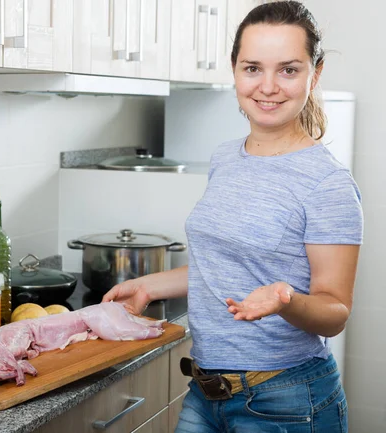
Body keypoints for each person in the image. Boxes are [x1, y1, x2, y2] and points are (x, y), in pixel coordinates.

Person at [102, 1, 362, 432]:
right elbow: (223, 265)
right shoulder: (226, 157)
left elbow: (336, 310)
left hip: (288, 400)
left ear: (314, 75)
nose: (268, 86)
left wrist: (286, 301)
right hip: (206, 392)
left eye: (289, 70)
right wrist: (148, 285)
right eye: (253, 68)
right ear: (235, 70)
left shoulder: (327, 183)